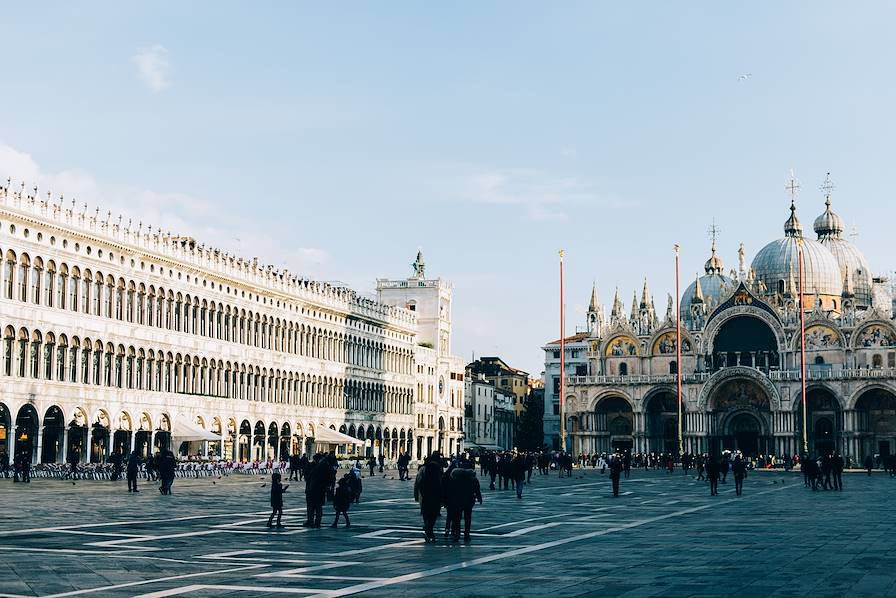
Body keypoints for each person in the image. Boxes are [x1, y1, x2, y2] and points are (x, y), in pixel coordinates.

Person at [446, 460, 482, 542]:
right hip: (469, 500)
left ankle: (457, 534)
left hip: (457, 500)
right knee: (467, 518)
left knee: (457, 518)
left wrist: (448, 499)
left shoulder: (455, 477)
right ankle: (466, 534)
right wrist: (479, 498)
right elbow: (477, 489)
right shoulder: (472, 478)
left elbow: (450, 489)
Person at [414, 452, 444, 543]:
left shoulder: (423, 468)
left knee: (426, 512)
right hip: (436, 494)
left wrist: (416, 494)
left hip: (425, 494)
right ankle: (429, 529)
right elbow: (441, 483)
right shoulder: (439, 468)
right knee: (433, 514)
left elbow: (418, 482)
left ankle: (428, 529)